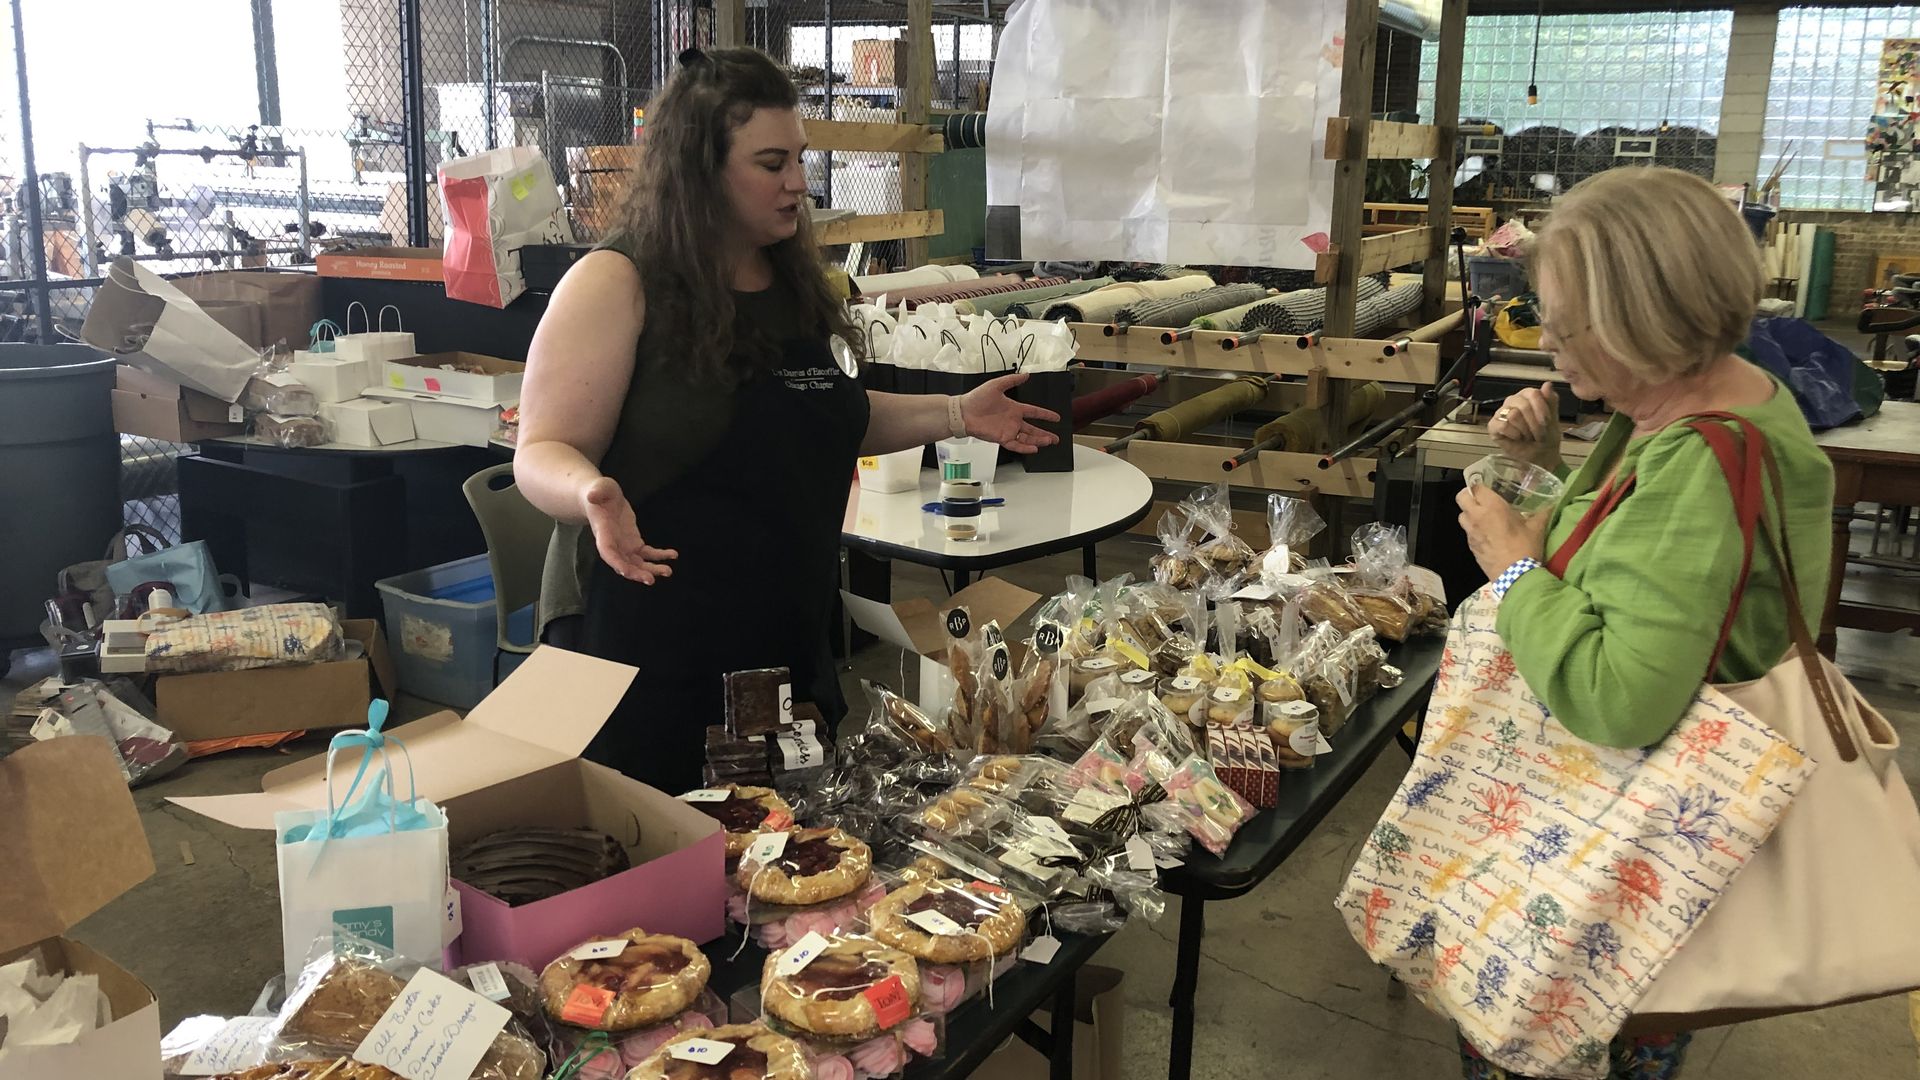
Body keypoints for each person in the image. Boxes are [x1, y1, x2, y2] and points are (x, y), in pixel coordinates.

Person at [513, 47, 1058, 793]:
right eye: (772, 163)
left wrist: (960, 412)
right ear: (699, 169)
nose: (798, 182)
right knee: (665, 861)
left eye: (799, 158)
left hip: (780, 625)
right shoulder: (618, 281)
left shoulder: (790, 281)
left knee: (788, 856)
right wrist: (587, 492)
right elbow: (540, 448)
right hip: (648, 639)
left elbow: (827, 414)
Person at [1450, 166, 1835, 1078]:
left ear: (1642, 321)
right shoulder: (1693, 409)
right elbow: (1630, 562)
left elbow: (1617, 696)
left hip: (1618, 864)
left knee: (1551, 1045)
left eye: (1563, 322)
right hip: (1631, 842)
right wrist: (1544, 465)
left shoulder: (1700, 460)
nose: (1546, 342)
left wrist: (1508, 568)